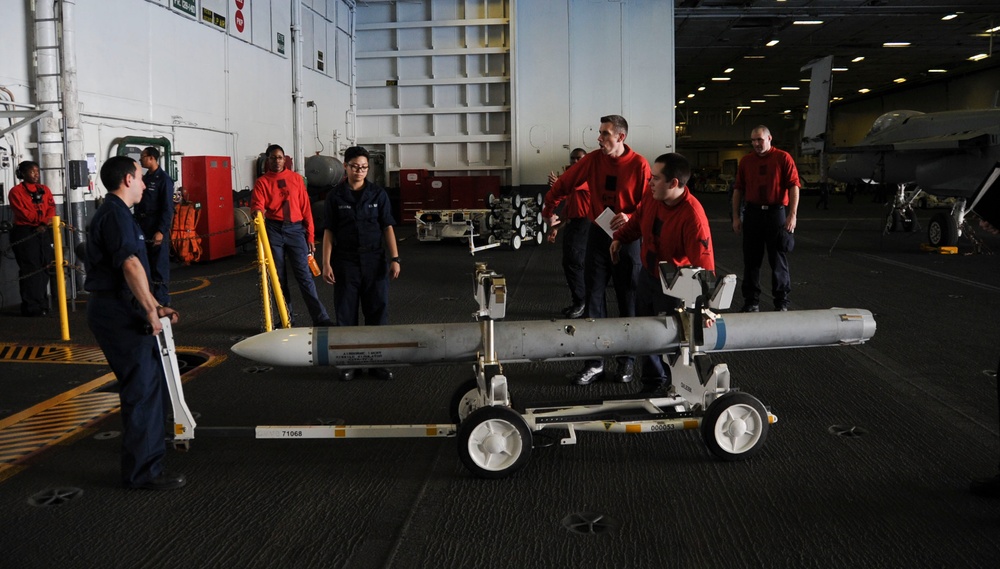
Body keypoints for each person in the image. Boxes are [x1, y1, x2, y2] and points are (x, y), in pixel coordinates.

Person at [85, 155, 184, 490]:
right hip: (117, 312)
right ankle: (143, 473)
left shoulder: (118, 214)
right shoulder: (115, 214)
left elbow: (134, 268)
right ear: (127, 180)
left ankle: (146, 463)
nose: (145, 184)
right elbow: (129, 264)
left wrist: (156, 305)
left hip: (122, 307)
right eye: (141, 178)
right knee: (141, 389)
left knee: (147, 384)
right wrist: (150, 310)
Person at [542, 115, 650, 385]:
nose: (599, 138)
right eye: (600, 133)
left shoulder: (639, 165)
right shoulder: (591, 161)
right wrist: (548, 209)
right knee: (594, 300)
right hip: (599, 238)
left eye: (604, 134)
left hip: (629, 239)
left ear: (620, 137)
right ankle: (595, 363)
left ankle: (626, 363)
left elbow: (649, 204)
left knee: (628, 300)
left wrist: (629, 216)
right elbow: (563, 184)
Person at [611, 153, 714, 393]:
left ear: (674, 183)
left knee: (672, 339)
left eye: (655, 178)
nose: (649, 183)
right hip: (648, 277)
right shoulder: (652, 196)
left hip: (675, 286)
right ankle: (652, 384)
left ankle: (676, 387)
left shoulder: (693, 217)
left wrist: (705, 307)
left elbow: (704, 265)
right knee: (648, 334)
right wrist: (620, 238)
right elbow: (638, 221)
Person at [321, 146, 400, 381]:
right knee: (346, 314)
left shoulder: (378, 194)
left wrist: (395, 259)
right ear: (345, 166)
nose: (360, 171)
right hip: (345, 261)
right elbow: (329, 232)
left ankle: (378, 363)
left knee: (377, 311)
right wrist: (325, 263)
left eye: (365, 167)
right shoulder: (335, 197)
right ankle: (350, 364)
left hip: (374, 260)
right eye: (355, 166)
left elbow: (387, 227)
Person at [250, 144, 332, 327]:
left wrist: (310, 236)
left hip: (296, 231)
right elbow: (257, 204)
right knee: (278, 277)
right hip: (273, 230)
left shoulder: (296, 179)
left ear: (284, 159)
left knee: (304, 276)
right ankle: (287, 319)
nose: (277, 161)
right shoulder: (262, 182)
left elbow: (306, 209)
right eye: (273, 158)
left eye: (279, 157)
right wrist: (257, 212)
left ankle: (321, 318)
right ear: (268, 160)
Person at [731, 125, 801, 312]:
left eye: (759, 140)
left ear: (769, 138)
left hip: (776, 214)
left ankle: (781, 301)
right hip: (752, 214)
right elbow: (738, 189)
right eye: (753, 140)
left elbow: (794, 186)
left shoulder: (783, 158)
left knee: (778, 258)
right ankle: (751, 301)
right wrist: (736, 217)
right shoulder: (746, 161)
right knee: (751, 260)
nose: (756, 143)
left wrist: (792, 215)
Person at [546, 147, 590, 319]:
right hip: (574, 224)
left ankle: (581, 303)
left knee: (574, 263)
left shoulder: (589, 177)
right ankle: (580, 301)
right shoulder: (570, 180)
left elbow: (569, 188)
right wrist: (556, 227)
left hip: (585, 224)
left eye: (579, 159)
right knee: (571, 263)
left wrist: (558, 183)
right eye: (572, 159)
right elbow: (569, 208)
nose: (575, 162)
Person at [9, 161, 56, 317]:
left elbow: (51, 207)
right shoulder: (16, 192)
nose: (36, 174)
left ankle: (42, 302)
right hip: (25, 232)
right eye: (32, 171)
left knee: (45, 265)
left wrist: (46, 222)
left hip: (42, 232)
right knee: (31, 268)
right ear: (22, 174)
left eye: (37, 171)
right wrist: (40, 222)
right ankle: (31, 306)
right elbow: (23, 212)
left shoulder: (44, 190)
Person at [136, 147, 175, 306]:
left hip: (156, 226)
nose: (140, 160)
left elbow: (168, 208)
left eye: (142, 157)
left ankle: (162, 302)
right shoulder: (146, 178)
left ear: (151, 158)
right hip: (143, 225)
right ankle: (149, 299)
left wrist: (161, 231)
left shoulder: (164, 180)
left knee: (159, 265)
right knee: (145, 264)